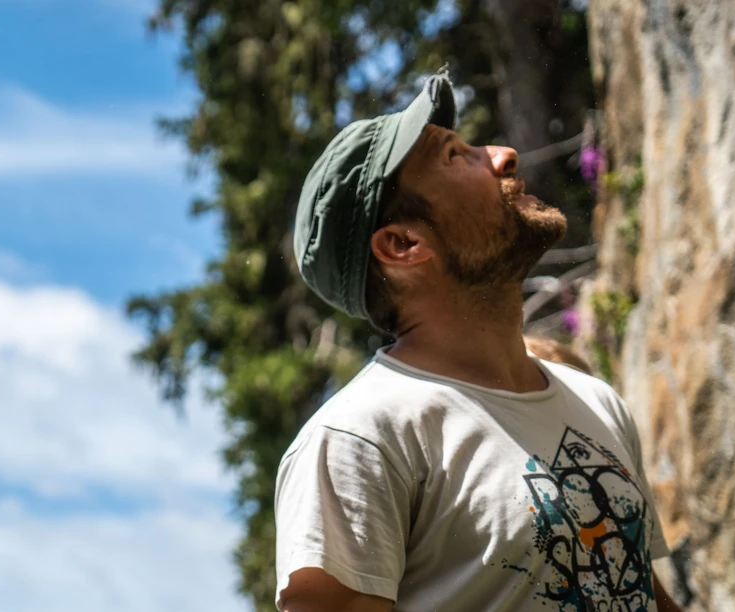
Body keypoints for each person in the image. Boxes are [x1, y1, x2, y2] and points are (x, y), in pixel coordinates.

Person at [278, 73, 681, 612]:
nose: (504, 155)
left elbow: (637, 595)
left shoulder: (596, 403)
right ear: (403, 244)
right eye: (455, 156)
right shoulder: (360, 440)